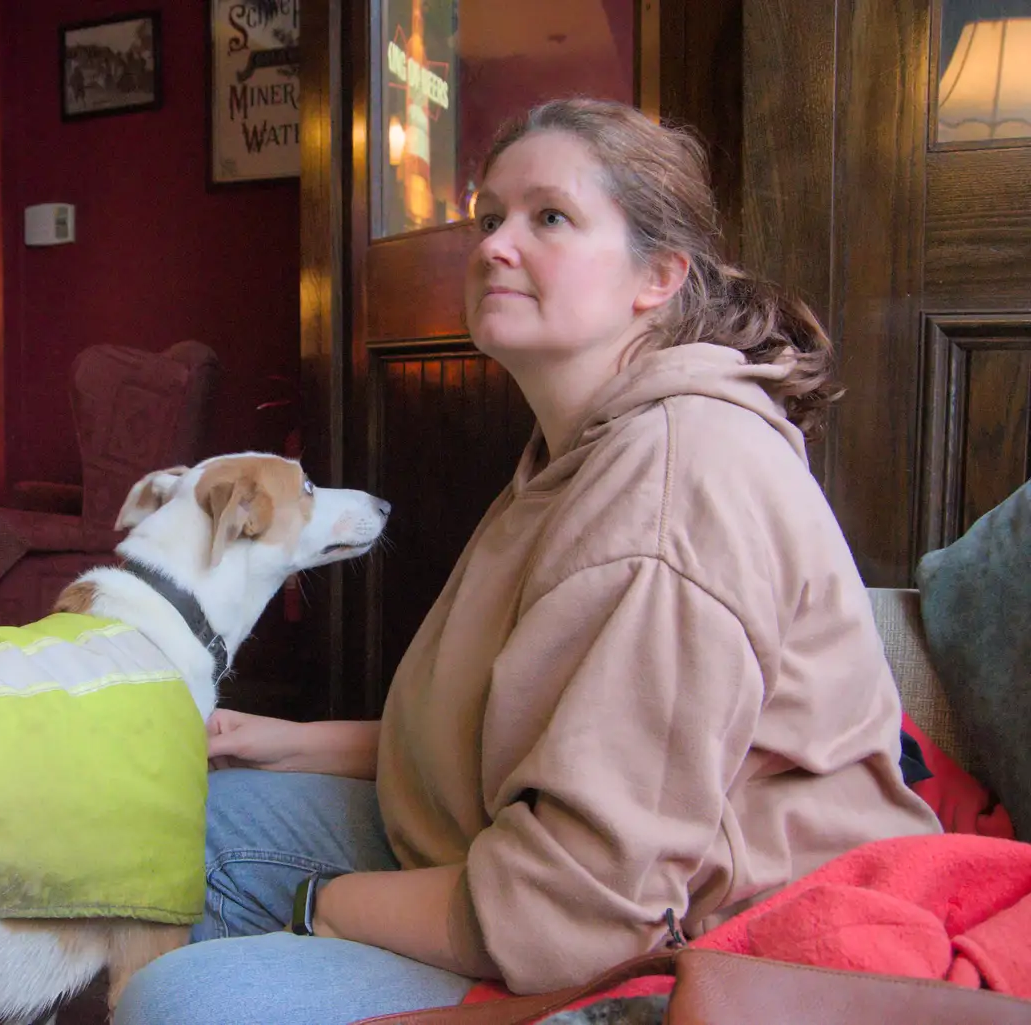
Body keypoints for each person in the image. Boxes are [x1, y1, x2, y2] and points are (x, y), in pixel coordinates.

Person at [113, 97, 941, 1025]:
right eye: (489, 217)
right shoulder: (576, 448)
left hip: (694, 947)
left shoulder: (672, 481)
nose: (496, 245)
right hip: (510, 860)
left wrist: (315, 902)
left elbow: (577, 909)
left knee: (184, 1001)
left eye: (549, 217)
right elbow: (520, 740)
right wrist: (278, 739)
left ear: (659, 275)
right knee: (178, 817)